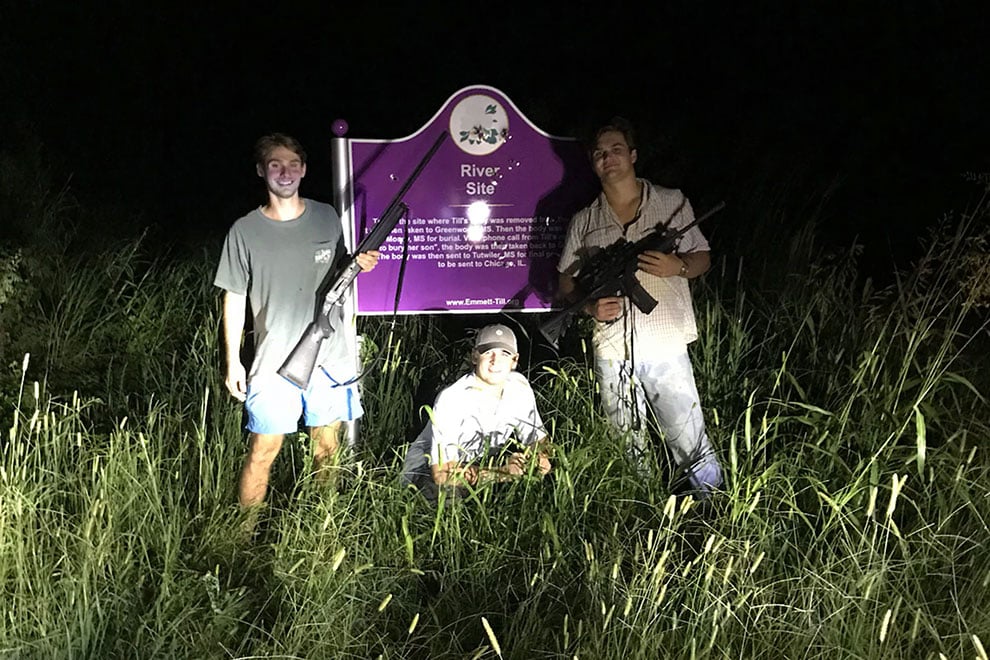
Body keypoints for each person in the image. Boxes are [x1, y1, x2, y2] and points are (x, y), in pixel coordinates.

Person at [556, 117, 723, 496]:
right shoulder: (585, 220)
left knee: (687, 433)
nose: (608, 158)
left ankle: (713, 506)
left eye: (616, 150)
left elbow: (702, 256)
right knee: (625, 439)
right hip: (612, 347)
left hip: (664, 341)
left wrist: (676, 267)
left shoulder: (671, 201)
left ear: (632, 156)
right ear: (593, 163)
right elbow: (566, 281)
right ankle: (642, 508)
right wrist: (589, 308)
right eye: (599, 153)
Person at [214, 132, 380, 514]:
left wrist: (360, 263)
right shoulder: (244, 231)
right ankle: (240, 539)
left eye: (292, 164)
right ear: (261, 171)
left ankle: (321, 530)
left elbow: (340, 274)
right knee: (262, 451)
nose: (284, 172)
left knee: (327, 448)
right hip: (273, 363)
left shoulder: (326, 216)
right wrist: (234, 361)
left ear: (304, 170)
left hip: (330, 358)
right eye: (275, 164)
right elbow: (234, 297)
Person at [401, 324, 552, 499]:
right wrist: (504, 473)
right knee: (446, 493)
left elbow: (539, 438)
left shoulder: (519, 387)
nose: (495, 361)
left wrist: (538, 458)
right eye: (488, 353)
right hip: (429, 469)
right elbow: (442, 474)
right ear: (474, 357)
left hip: (480, 464)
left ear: (515, 360)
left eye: (505, 354)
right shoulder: (452, 398)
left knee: (545, 485)